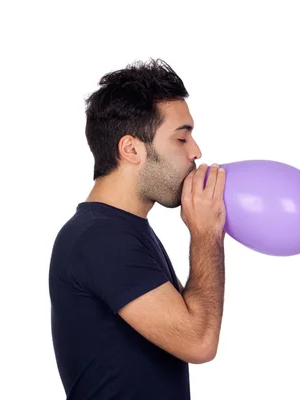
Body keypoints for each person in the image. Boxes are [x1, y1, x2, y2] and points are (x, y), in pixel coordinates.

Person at [48, 58, 227, 400]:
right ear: (131, 149)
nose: (196, 151)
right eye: (181, 138)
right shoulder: (100, 238)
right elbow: (199, 341)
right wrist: (206, 234)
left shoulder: (124, 230)